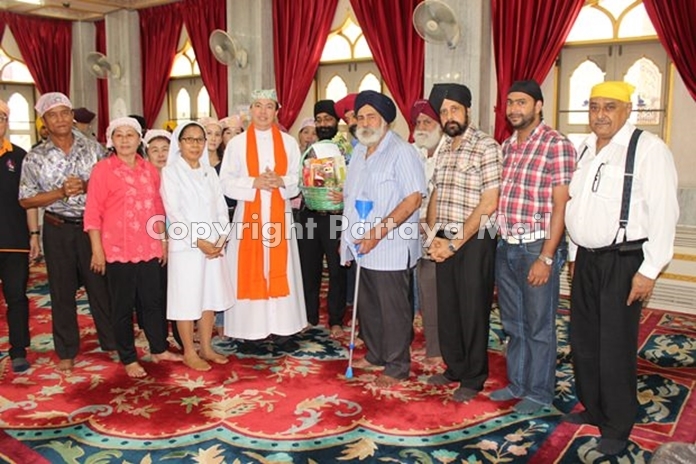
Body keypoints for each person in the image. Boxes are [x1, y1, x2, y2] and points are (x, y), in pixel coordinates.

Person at [564, 81, 679, 456]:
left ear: (628, 110)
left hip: (624, 261)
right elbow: (577, 205)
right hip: (586, 259)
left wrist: (650, 269)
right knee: (584, 339)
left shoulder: (648, 149)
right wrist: (572, 251)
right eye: (594, 106)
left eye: (609, 107)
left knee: (614, 344)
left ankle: (617, 423)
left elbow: (665, 213)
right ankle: (593, 408)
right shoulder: (585, 147)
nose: (600, 114)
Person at [489, 80, 576, 414]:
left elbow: (560, 206)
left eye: (521, 102)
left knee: (539, 325)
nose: (514, 109)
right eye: (510, 103)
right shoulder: (508, 146)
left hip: (536, 246)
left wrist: (547, 256)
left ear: (538, 105)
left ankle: (539, 392)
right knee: (513, 323)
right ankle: (518, 383)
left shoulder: (556, 144)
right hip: (506, 245)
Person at [19, 92, 116, 372]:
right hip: (57, 228)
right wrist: (59, 193)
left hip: (91, 229)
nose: (60, 119)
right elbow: (26, 199)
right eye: (53, 115)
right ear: (44, 121)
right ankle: (66, 351)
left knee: (101, 288)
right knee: (61, 292)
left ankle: (111, 343)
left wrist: (86, 187)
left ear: (72, 115)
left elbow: (110, 184)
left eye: (65, 113)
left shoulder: (94, 148)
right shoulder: (35, 157)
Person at [340, 90, 426, 387]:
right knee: (369, 305)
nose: (365, 122)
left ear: (385, 121)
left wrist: (377, 232)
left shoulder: (402, 151)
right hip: (362, 243)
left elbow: (413, 199)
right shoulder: (360, 152)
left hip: (390, 243)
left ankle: (397, 364)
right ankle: (375, 353)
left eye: (371, 117)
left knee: (393, 309)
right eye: (360, 117)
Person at [84, 117, 182, 378]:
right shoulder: (102, 170)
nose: (125, 140)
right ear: (111, 140)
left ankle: (158, 348)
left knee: (152, 302)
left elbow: (159, 209)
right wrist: (97, 249)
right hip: (117, 249)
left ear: (140, 139)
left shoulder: (150, 170)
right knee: (122, 307)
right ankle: (128, 357)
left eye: (131, 135)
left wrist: (163, 242)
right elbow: (93, 213)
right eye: (120, 135)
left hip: (149, 247)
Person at [425, 83, 501, 402]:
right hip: (445, 238)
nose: (449, 116)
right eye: (443, 111)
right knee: (449, 308)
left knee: (472, 309)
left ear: (468, 110)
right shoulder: (444, 147)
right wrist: (433, 237)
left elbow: (489, 202)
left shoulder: (486, 146)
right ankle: (454, 367)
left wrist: (454, 243)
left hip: (476, 239)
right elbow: (437, 194)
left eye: (454, 109)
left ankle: (473, 376)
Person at [219, 89, 307, 352]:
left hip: (280, 216)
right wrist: (254, 182)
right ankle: (252, 333)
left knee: (282, 269)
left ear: (276, 111)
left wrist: (281, 181)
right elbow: (225, 181)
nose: (263, 111)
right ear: (251, 110)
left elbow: (297, 178)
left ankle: (284, 331)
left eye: (269, 106)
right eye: (258, 105)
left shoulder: (289, 143)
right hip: (249, 219)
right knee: (251, 269)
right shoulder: (236, 144)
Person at [161, 121, 235, 371]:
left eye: (199, 140)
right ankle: (189, 351)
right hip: (187, 247)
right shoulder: (170, 172)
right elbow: (175, 213)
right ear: (179, 144)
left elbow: (221, 206)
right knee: (186, 299)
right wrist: (199, 241)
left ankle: (206, 346)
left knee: (209, 297)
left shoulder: (209, 171)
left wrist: (222, 236)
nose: (195, 144)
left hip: (213, 245)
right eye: (189, 139)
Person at [297, 100, 349, 338]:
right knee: (309, 268)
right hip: (308, 215)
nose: (323, 124)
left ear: (336, 122)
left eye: (328, 119)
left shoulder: (346, 150)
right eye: (319, 120)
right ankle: (309, 316)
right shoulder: (311, 150)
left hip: (336, 216)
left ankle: (336, 320)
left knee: (337, 269)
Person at [0, 100, 40, 373]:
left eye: (2, 117)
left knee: (16, 296)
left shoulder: (20, 156)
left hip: (13, 240)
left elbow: (29, 200)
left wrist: (34, 234)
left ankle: (18, 349)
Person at [410, 98, 443, 365]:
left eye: (427, 122)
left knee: (435, 291)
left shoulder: (450, 152)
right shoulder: (413, 152)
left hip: (445, 232)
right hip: (411, 228)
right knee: (419, 287)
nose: (421, 127)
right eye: (418, 122)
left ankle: (436, 349)